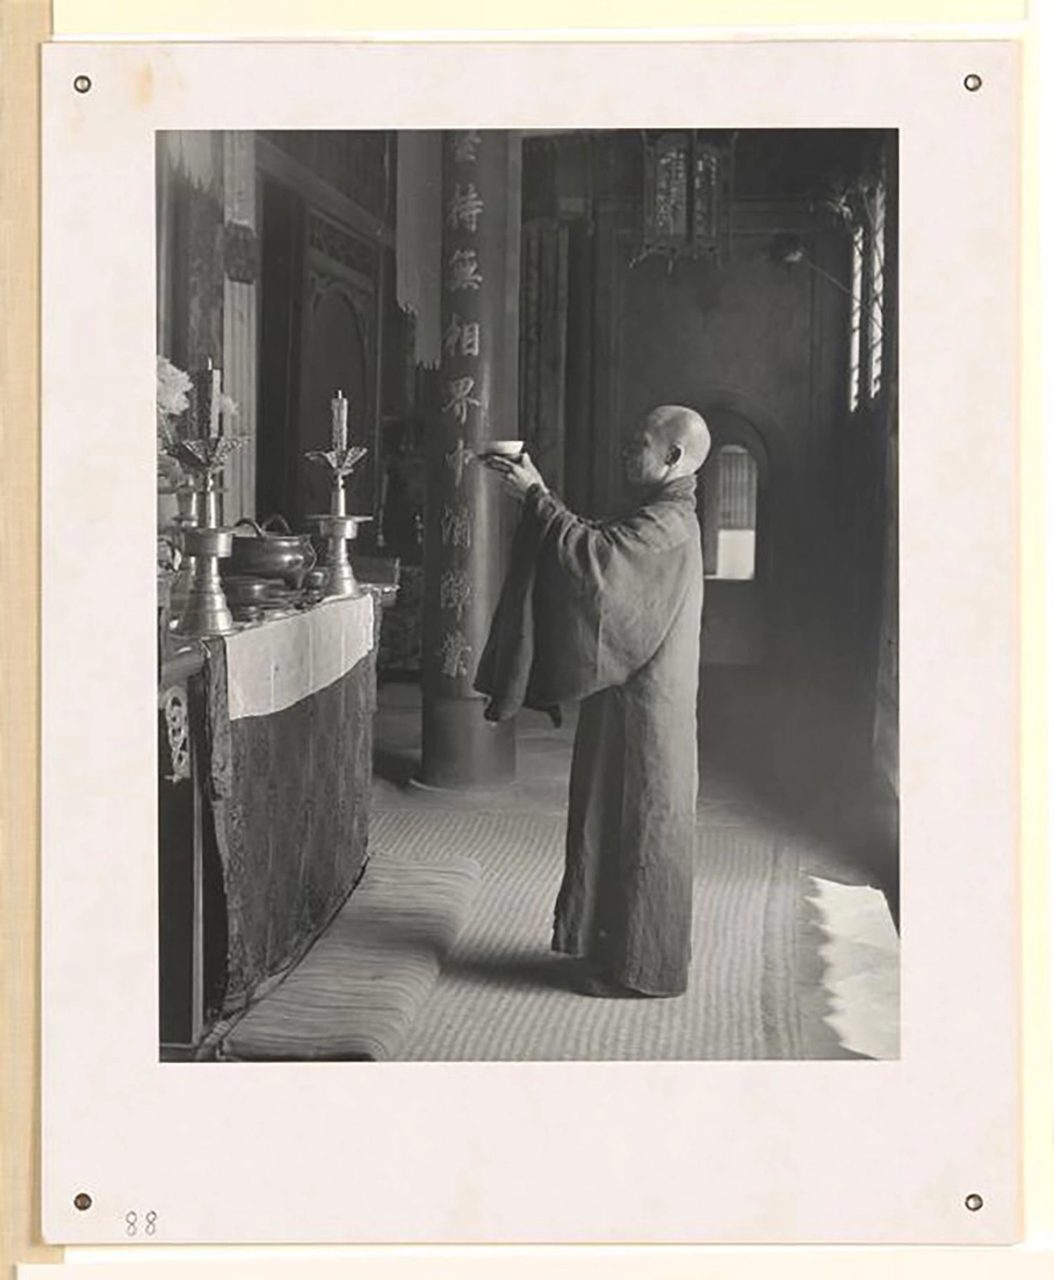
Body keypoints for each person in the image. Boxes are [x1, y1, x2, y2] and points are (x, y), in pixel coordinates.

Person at [475, 405, 711, 998]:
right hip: (632, 696)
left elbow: (602, 565)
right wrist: (539, 495)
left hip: (650, 707)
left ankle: (645, 971)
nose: (625, 452)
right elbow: (601, 544)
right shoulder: (665, 514)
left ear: (673, 457)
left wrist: (538, 500)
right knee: (611, 815)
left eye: (639, 443)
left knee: (645, 822)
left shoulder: (669, 525)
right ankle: (612, 954)